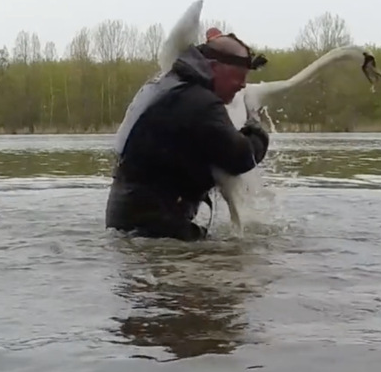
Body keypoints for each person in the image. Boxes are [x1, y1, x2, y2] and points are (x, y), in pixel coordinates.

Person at [105, 29, 271, 241]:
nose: (243, 85)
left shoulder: (165, 86)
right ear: (214, 68)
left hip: (127, 229)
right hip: (159, 233)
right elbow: (240, 157)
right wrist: (257, 131)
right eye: (238, 77)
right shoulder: (200, 103)